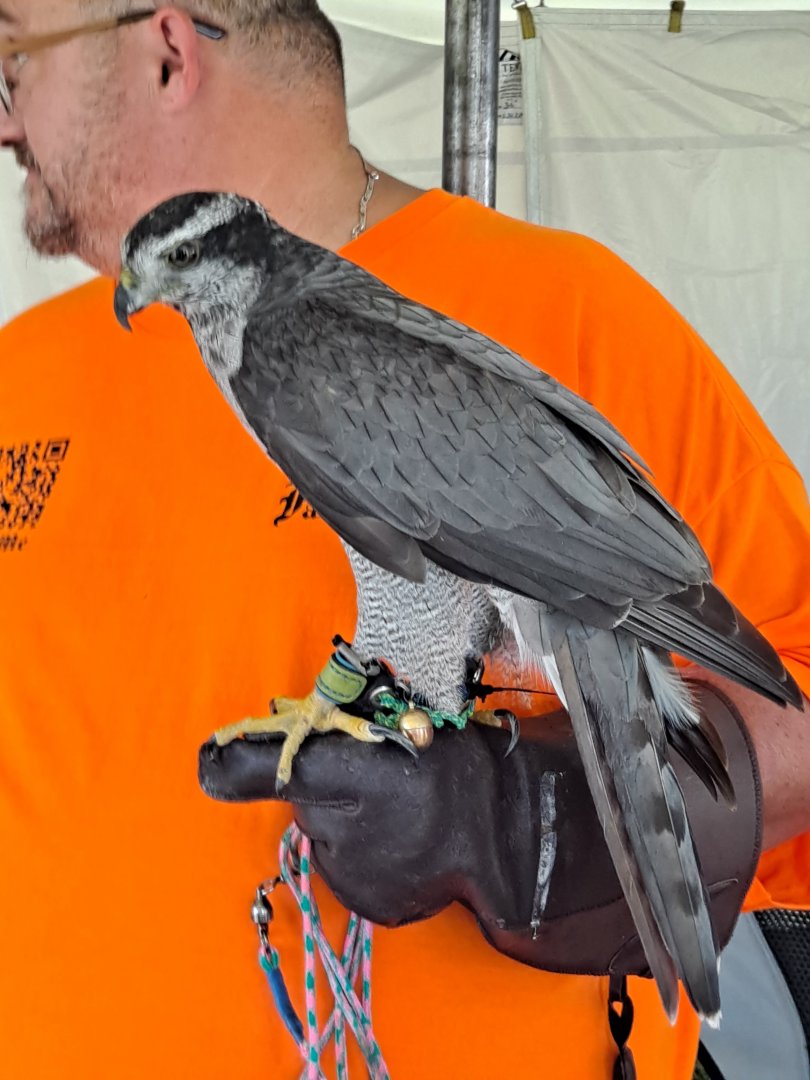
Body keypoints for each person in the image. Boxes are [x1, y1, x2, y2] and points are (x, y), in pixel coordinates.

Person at [0, 2, 808, 1077]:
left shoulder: (570, 315)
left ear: (165, 50)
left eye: (15, 57)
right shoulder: (21, 374)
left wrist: (526, 816)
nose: (6, 119)